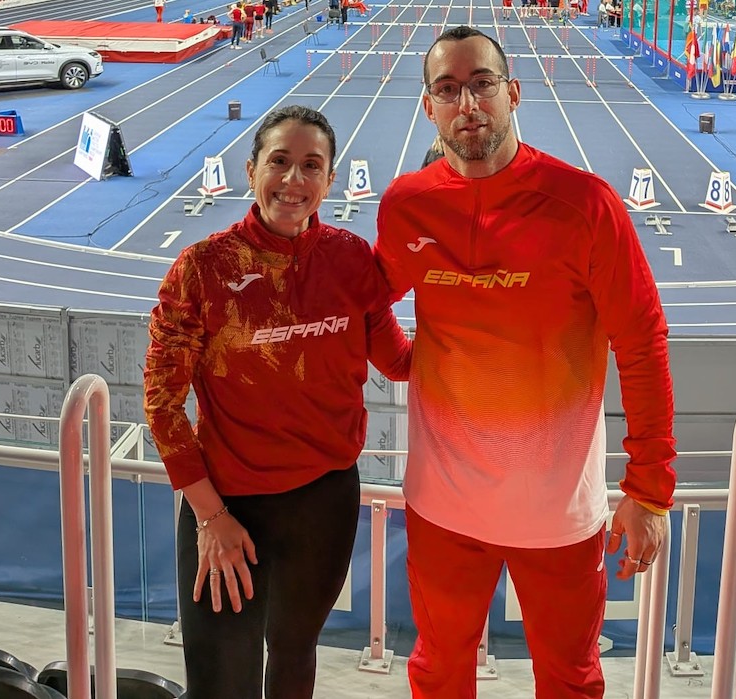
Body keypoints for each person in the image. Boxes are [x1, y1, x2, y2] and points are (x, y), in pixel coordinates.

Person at [374, 26, 677, 698]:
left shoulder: (585, 205)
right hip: (442, 507)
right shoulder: (406, 206)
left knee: (570, 680)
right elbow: (368, 300)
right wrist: (405, 362)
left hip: (558, 514)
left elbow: (642, 341)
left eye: (481, 83)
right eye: (448, 89)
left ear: (512, 92)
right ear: (429, 107)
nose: (467, 104)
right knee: (437, 672)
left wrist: (650, 488)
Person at [144, 105, 412, 699]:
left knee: (294, 658)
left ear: (330, 181)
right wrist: (211, 517)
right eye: (280, 162)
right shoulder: (202, 269)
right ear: (252, 170)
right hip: (227, 505)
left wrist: (477, 313)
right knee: (222, 679)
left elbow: (399, 361)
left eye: (311, 166)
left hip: (324, 501)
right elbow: (162, 403)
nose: (293, 180)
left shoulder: (350, 259)